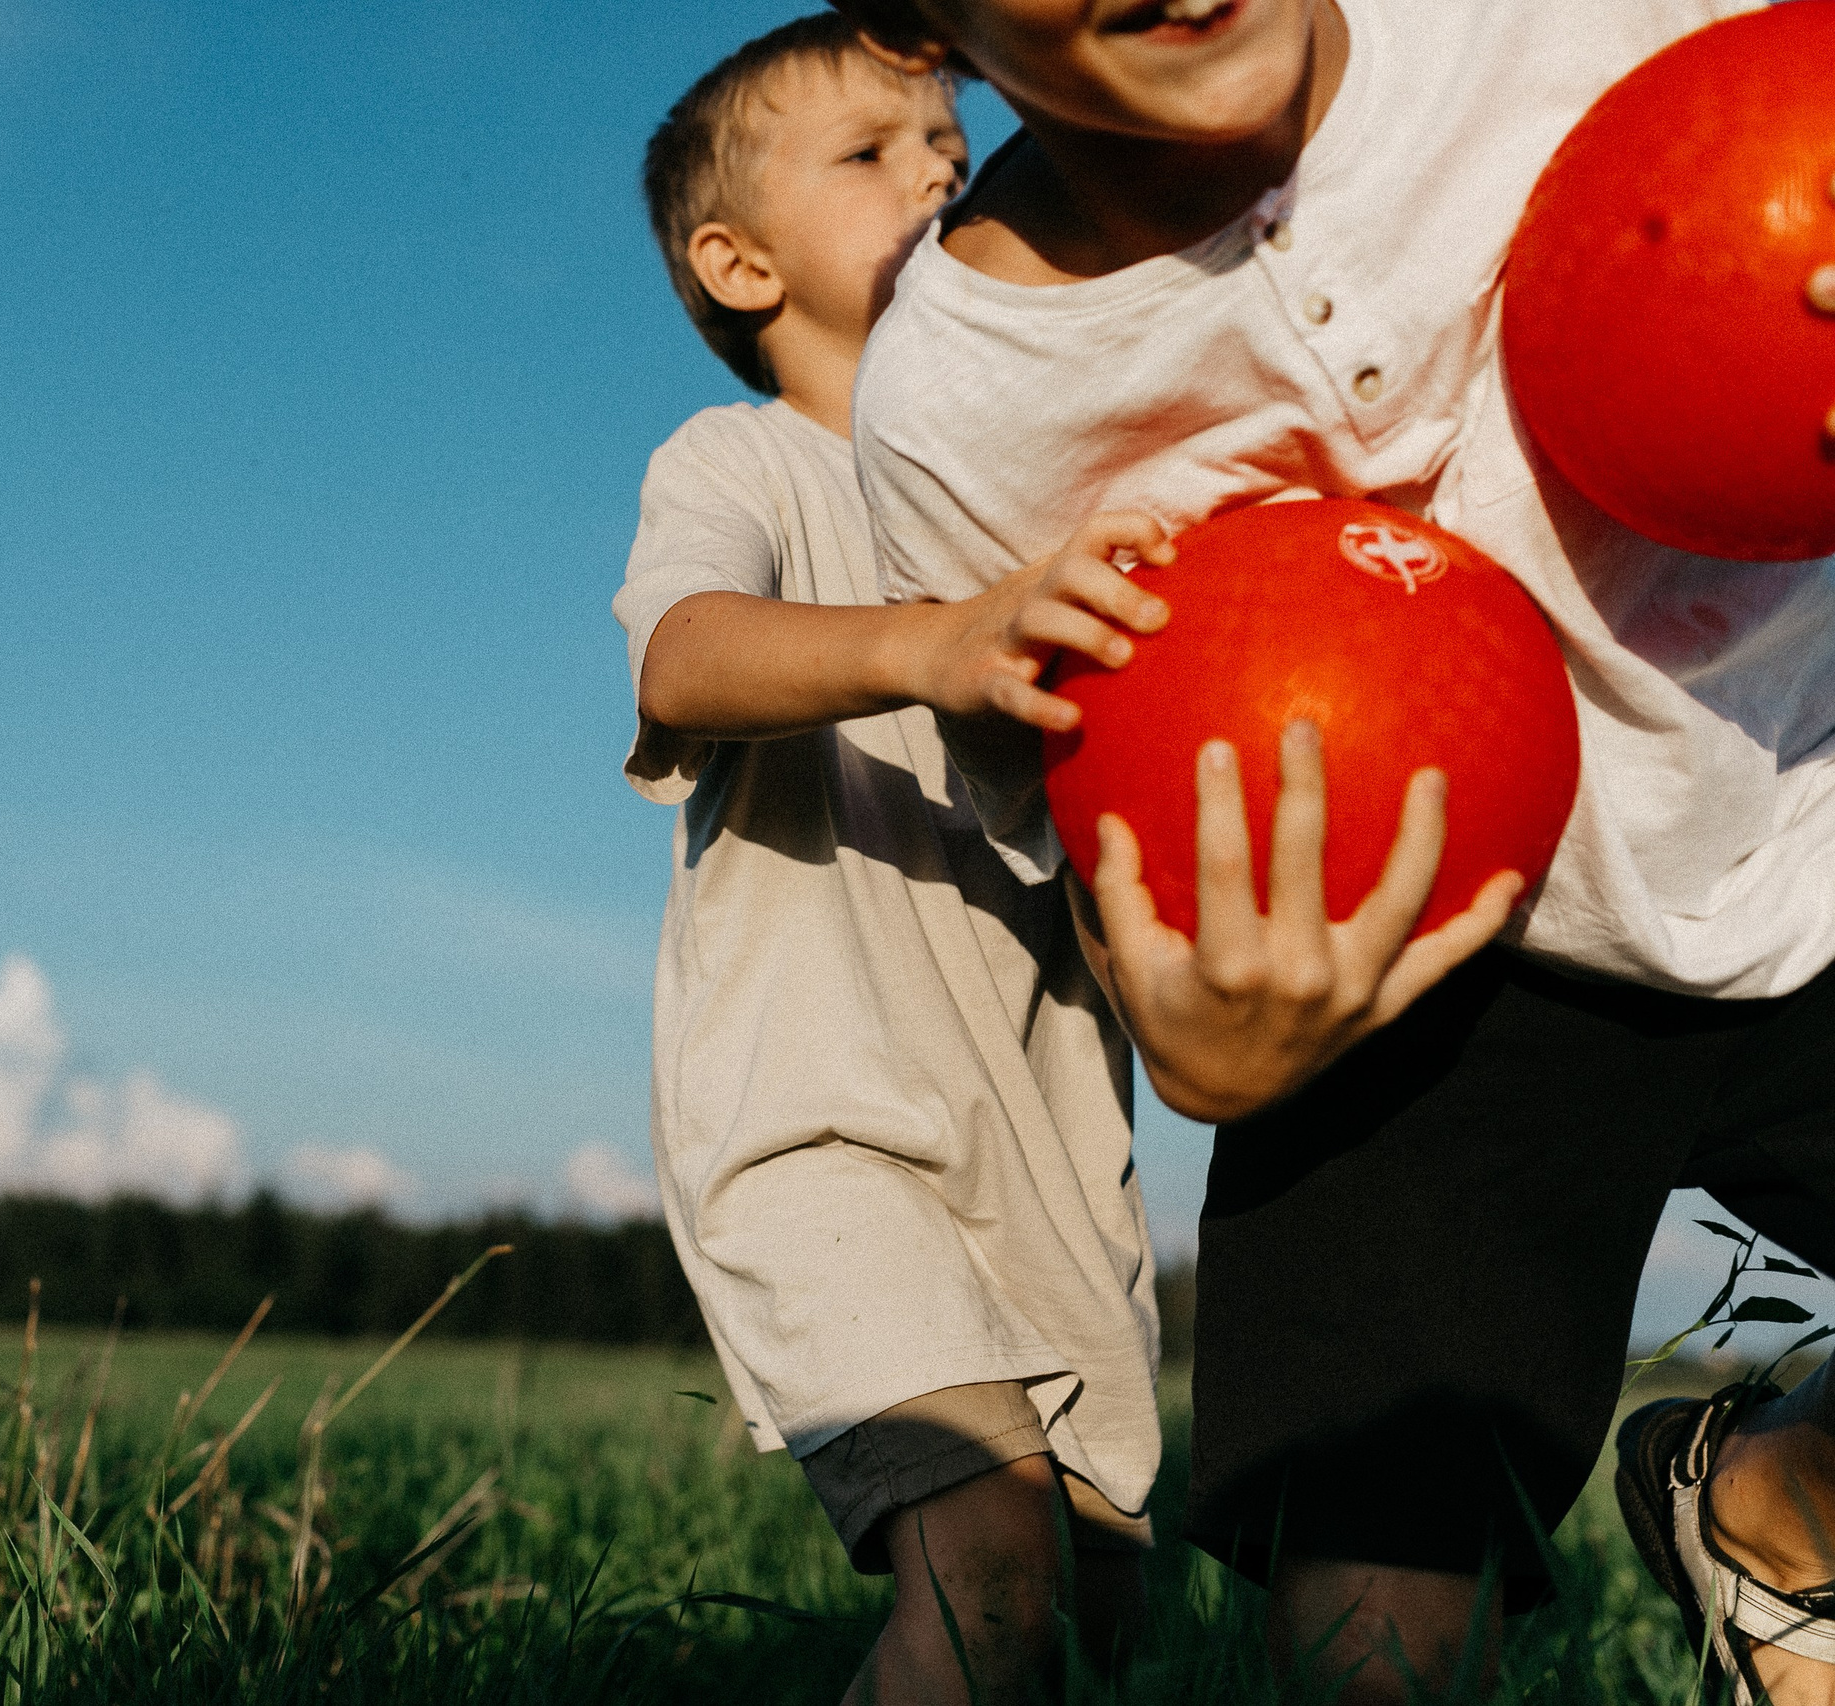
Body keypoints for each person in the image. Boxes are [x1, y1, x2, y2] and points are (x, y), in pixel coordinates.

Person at [825, 0, 1835, 1699]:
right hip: (1409, 991)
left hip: (1803, 807)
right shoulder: (961, 402)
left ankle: (1777, 1501)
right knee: (1373, 1648)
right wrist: (1199, 1049)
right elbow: (1116, 845)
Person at [618, 15, 1207, 1698]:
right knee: (990, 1570)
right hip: (824, 1131)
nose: (940, 170)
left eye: (948, 149)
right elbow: (683, 660)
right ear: (738, 266)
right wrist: (943, 643)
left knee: (1080, 1625)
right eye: (871, 156)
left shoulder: (1055, 519)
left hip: (1057, 1164)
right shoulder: (743, 464)